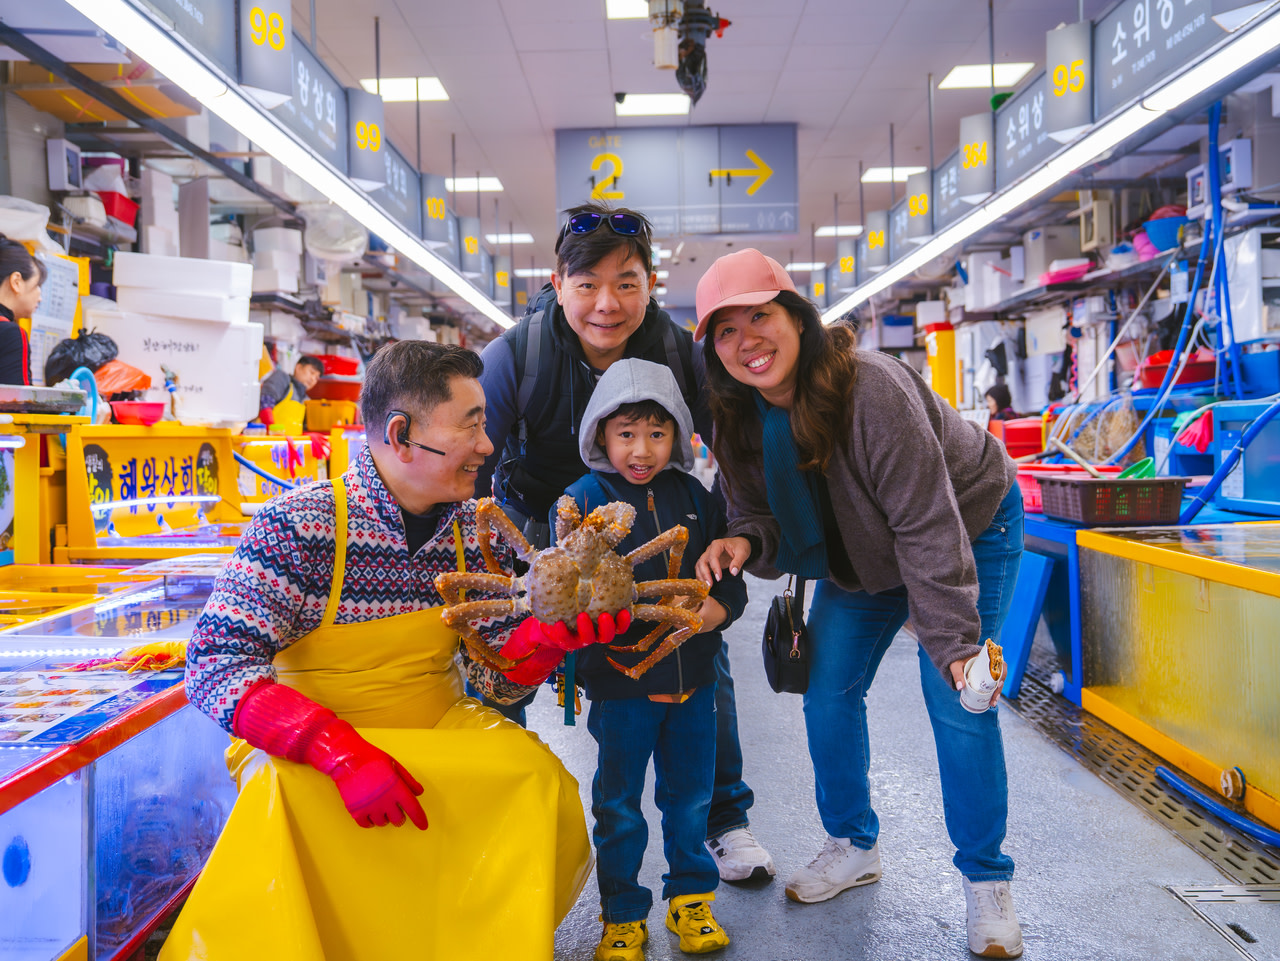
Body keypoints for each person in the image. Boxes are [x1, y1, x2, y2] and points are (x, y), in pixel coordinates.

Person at [165, 342, 594, 961]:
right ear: (401, 433)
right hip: (310, 742)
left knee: (534, 777)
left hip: (437, 719)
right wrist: (333, 750)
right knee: (280, 790)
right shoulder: (297, 527)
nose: (487, 446)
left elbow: (498, 679)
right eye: (471, 424)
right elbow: (214, 665)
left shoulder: (473, 532)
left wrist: (550, 638)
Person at [692, 249, 1026, 959]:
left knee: (957, 699)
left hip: (968, 523)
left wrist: (956, 644)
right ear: (711, 350)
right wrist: (744, 544)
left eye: (761, 316)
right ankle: (852, 842)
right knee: (827, 691)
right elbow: (755, 513)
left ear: (798, 319)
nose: (746, 340)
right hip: (858, 554)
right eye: (725, 330)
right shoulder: (733, 418)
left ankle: (986, 881)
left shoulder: (868, 389)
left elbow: (926, 525)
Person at [476, 201, 774, 883]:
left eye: (627, 283)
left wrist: (737, 536)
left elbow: (736, 447)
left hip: (648, 522)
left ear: (650, 284)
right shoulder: (514, 355)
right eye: (587, 285)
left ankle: (724, 820)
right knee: (497, 664)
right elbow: (472, 457)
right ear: (558, 283)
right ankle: (494, 820)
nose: (607, 304)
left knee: (700, 647)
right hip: (541, 535)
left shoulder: (678, 352)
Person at [557, 359, 747, 960]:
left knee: (689, 799)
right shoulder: (583, 500)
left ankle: (691, 899)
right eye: (626, 434)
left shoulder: (695, 496)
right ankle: (622, 913)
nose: (642, 449)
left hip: (694, 683)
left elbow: (729, 580)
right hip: (620, 690)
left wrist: (716, 612)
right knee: (618, 804)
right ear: (600, 435)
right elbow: (561, 590)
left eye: (657, 434)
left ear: (679, 435)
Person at [0, 237, 46, 386]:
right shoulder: (10, 333)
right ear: (16, 282)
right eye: (37, 285)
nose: (40, 297)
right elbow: (18, 404)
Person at [259, 354, 325, 409]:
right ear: (298, 368)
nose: (313, 379)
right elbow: (266, 399)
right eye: (312, 372)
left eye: (316, 378)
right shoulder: (282, 378)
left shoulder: (306, 400)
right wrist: (269, 421)